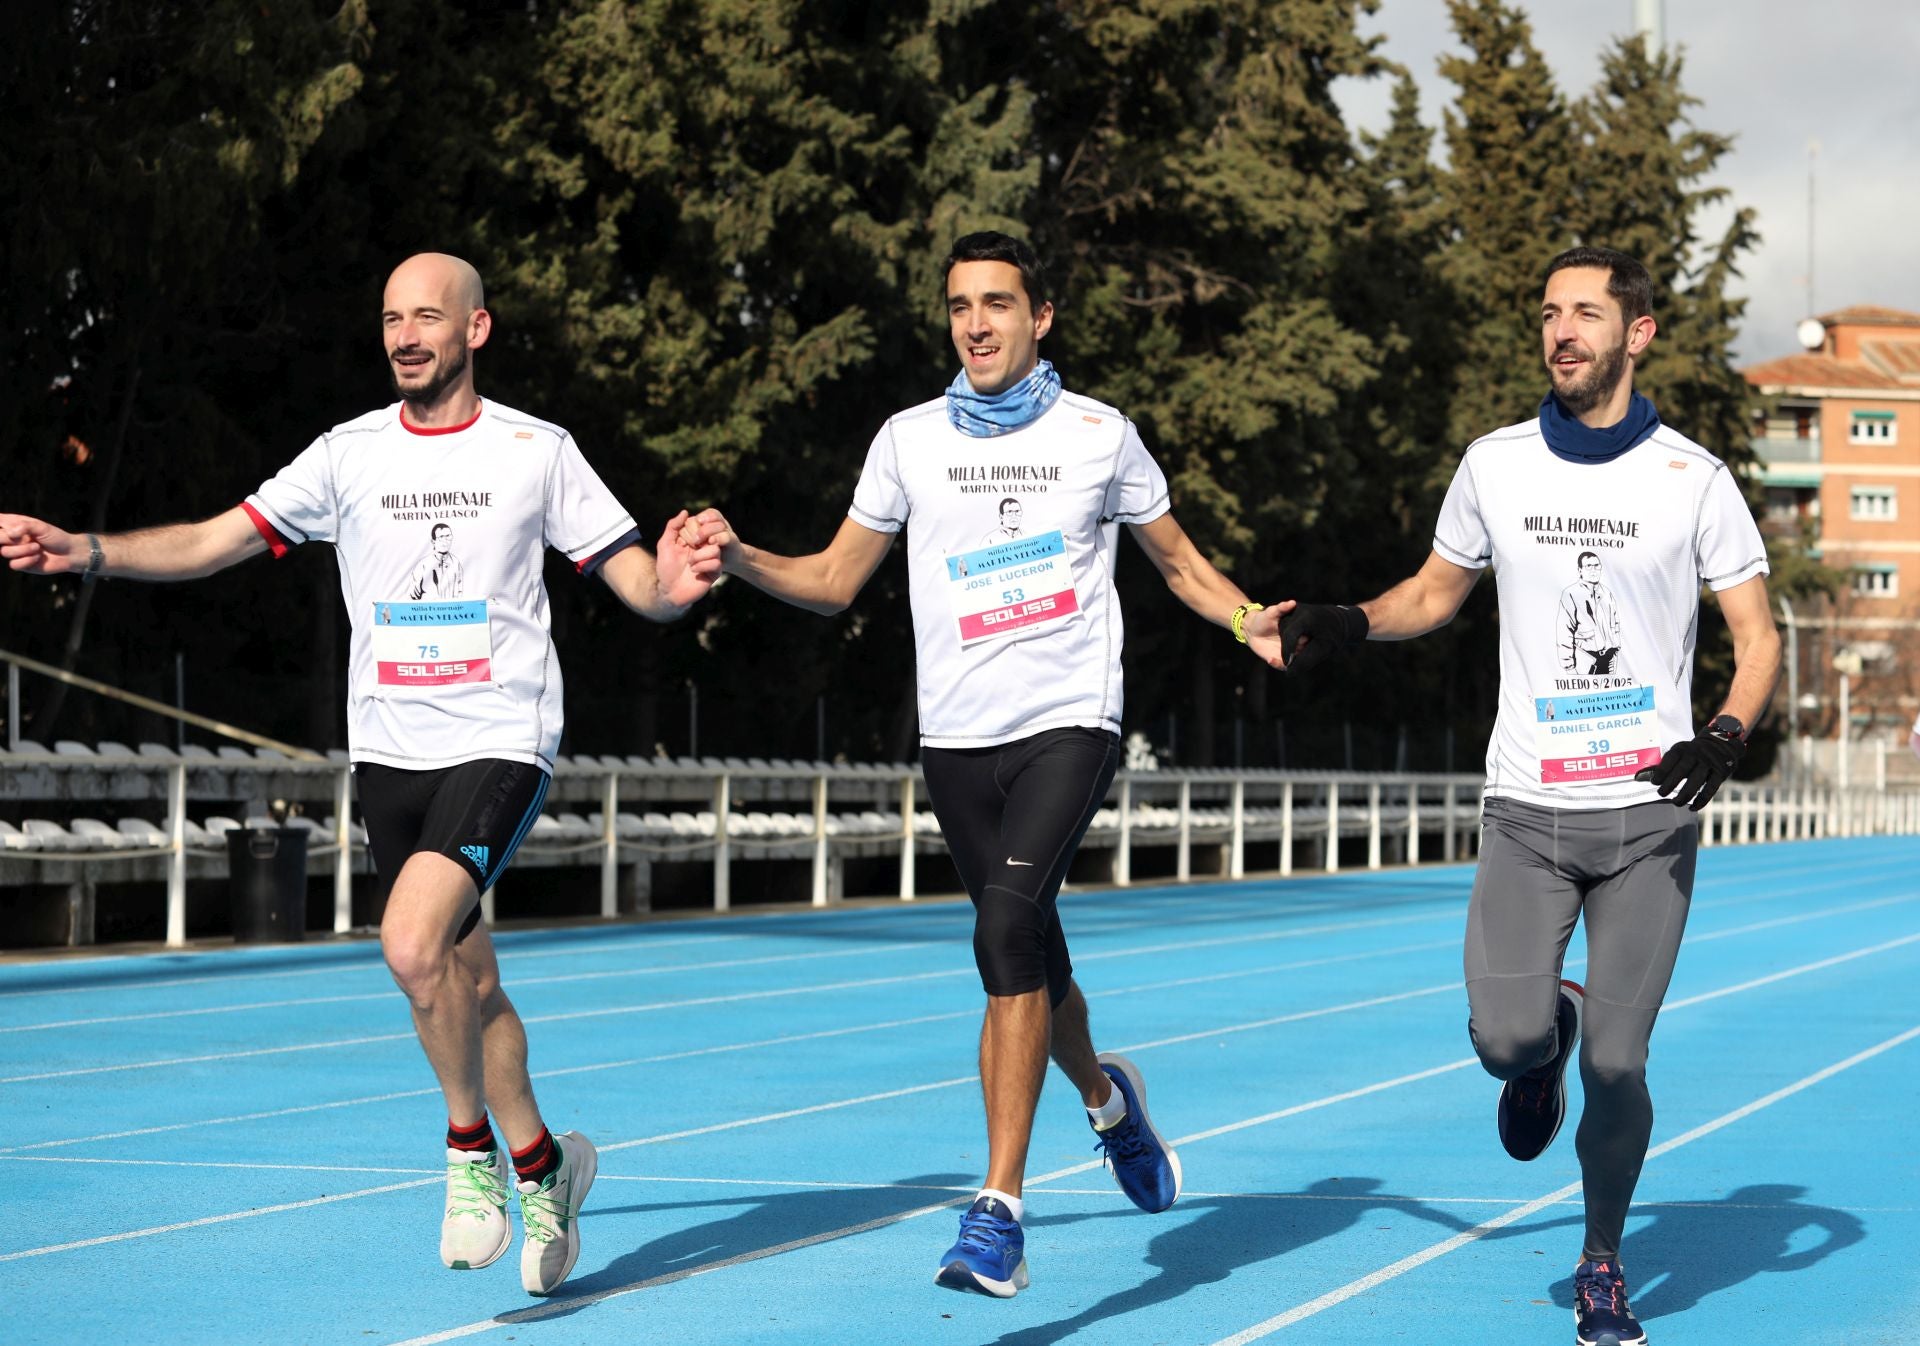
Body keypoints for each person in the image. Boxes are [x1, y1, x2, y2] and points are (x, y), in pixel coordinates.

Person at [0, 252, 721, 1298]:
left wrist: (680, 581)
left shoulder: (536, 451)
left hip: (500, 737)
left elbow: (639, 585)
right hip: (389, 751)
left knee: (409, 941)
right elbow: (212, 540)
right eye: (391, 317)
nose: (405, 334)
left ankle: (469, 1149)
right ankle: (546, 1168)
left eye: (428, 315)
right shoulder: (347, 454)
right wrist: (87, 550)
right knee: (470, 981)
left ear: (477, 328)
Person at [684, 231, 1285, 1298]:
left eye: (998, 303)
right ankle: (1109, 1101)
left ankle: (998, 1210)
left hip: (1068, 719)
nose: (976, 323)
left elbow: (1180, 561)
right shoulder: (909, 439)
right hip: (956, 737)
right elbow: (832, 578)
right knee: (1034, 955)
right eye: (961, 304)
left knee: (1001, 927)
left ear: (1040, 315)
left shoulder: (1102, 435)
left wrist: (1247, 621)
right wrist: (735, 557)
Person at [1260, 246, 1781, 1346]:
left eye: (1586, 313)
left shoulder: (1696, 479)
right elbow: (1434, 592)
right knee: (1504, 1038)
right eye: (1550, 313)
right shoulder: (1495, 464)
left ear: (1637, 333)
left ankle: (1601, 1259)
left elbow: (1758, 639)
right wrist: (1348, 618)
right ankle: (1541, 1040)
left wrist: (1724, 732)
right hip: (1528, 811)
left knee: (1622, 1061)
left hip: (1650, 817)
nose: (1562, 331)